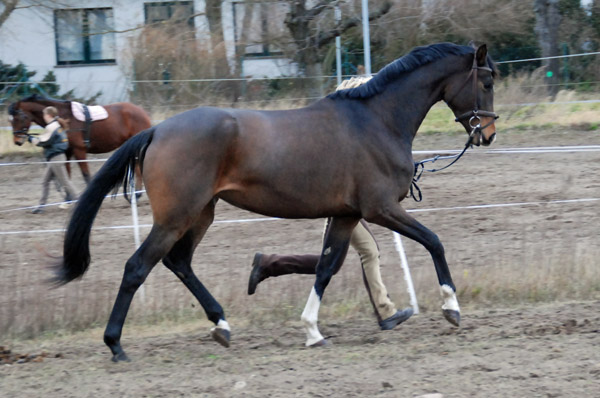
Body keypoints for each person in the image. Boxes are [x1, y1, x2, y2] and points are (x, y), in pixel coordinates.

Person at [29, 106, 79, 214]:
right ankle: (41, 206)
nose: (43, 116)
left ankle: (79, 202)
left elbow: (43, 141)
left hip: (56, 159)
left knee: (65, 181)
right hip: (55, 159)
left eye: (44, 114)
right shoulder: (56, 126)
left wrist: (30, 139)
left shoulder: (51, 127)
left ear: (48, 115)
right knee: (45, 181)